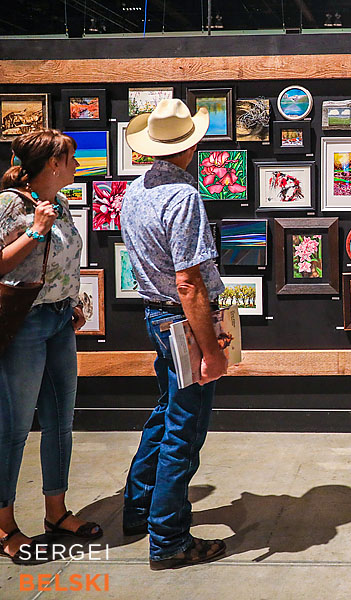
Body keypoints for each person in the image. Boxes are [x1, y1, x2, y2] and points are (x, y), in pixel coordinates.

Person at [120, 99, 229, 570]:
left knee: (165, 414)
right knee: (184, 430)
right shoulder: (183, 197)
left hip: (155, 316)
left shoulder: (135, 190)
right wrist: (211, 351)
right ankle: (168, 541)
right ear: (192, 144)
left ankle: (139, 509)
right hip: (181, 322)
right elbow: (188, 283)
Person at [0, 130, 102, 565]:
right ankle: (4, 525)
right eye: (72, 158)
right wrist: (36, 232)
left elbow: (66, 261)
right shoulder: (10, 203)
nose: (77, 164)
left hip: (59, 319)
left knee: (60, 422)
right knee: (14, 429)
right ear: (53, 163)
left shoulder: (58, 203)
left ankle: (56, 512)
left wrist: (74, 303)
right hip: (24, 324)